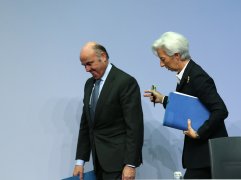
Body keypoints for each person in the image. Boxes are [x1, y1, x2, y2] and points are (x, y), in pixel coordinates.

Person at [144, 32, 228, 179]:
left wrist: (199, 132)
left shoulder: (197, 77)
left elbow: (220, 110)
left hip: (207, 156)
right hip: (200, 156)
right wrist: (163, 99)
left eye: (163, 59)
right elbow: (188, 106)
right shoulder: (188, 74)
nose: (161, 64)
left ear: (176, 56)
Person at [73, 42, 144, 180]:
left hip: (119, 165)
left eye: (89, 63)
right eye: (84, 65)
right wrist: (79, 161)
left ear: (103, 56)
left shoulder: (125, 82)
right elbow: (86, 125)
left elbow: (134, 127)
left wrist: (130, 164)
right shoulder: (89, 85)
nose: (86, 69)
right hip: (98, 163)